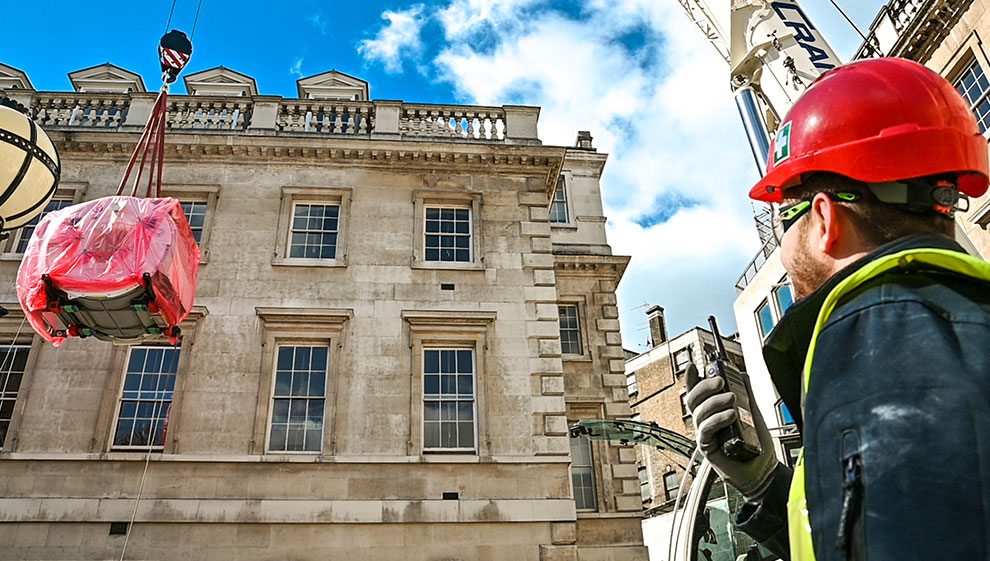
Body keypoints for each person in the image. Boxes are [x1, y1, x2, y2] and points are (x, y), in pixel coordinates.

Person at [686, 57, 990, 561]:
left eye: (787, 216)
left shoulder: (874, 353)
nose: (783, 249)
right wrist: (766, 485)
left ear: (824, 219)